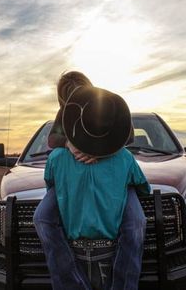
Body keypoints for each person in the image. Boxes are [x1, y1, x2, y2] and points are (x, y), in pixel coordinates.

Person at [33, 84, 151, 290]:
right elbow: (144, 188)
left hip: (106, 154)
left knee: (135, 224)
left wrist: (100, 148)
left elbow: (49, 182)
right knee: (42, 217)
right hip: (114, 166)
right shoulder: (125, 157)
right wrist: (74, 143)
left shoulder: (106, 108)